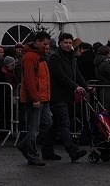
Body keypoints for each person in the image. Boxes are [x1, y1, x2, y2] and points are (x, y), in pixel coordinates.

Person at [42, 33, 88, 162]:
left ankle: (46, 151)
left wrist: (85, 85)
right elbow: (60, 75)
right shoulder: (55, 57)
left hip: (67, 96)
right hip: (58, 96)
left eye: (69, 43)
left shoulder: (72, 57)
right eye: (65, 43)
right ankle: (72, 151)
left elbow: (76, 73)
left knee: (55, 125)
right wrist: (75, 87)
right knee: (64, 124)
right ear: (60, 43)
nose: (68, 45)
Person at [16, 31, 52, 166]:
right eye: (44, 44)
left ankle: (24, 145)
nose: (46, 47)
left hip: (43, 97)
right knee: (34, 128)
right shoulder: (31, 57)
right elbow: (29, 79)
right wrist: (35, 98)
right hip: (36, 98)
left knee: (47, 123)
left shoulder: (38, 56)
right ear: (37, 42)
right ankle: (32, 154)